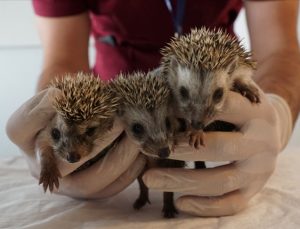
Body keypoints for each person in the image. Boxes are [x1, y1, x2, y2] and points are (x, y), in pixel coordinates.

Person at [6, 0, 300, 216]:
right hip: (114, 119)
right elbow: (63, 58)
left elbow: (279, 49)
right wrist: (53, 128)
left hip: (223, 120)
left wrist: (278, 111)